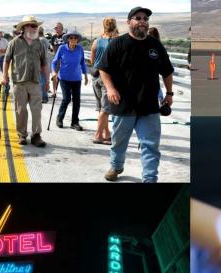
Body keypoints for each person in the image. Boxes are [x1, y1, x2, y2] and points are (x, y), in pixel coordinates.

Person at [98, 6, 174, 183]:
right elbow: (103, 68)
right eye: (138, 18)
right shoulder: (117, 44)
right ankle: (116, 166)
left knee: (150, 145)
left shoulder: (155, 45)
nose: (142, 21)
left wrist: (169, 93)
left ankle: (150, 178)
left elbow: (167, 71)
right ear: (129, 22)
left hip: (149, 106)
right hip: (123, 104)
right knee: (119, 141)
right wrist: (110, 89)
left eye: (145, 19)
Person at [2, 16, 50, 147]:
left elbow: (44, 63)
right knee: (21, 109)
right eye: (31, 25)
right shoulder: (14, 42)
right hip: (19, 81)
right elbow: (6, 60)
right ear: (24, 28)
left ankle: (36, 135)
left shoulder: (39, 43)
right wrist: (4, 76)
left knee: (36, 110)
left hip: (35, 81)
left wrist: (47, 81)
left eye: (35, 26)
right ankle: (22, 134)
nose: (35, 28)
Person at [51, 30, 88, 131]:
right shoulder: (62, 48)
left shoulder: (80, 49)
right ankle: (59, 118)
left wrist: (85, 75)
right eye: (71, 38)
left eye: (75, 38)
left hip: (77, 79)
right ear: (67, 39)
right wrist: (54, 72)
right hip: (64, 78)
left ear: (77, 40)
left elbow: (82, 62)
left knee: (77, 101)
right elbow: (54, 62)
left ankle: (75, 122)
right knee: (66, 99)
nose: (73, 40)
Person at [90, 17, 117, 145]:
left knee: (102, 108)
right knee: (105, 109)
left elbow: (92, 60)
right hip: (108, 77)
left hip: (95, 76)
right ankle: (98, 135)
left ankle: (107, 134)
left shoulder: (97, 41)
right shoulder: (117, 41)